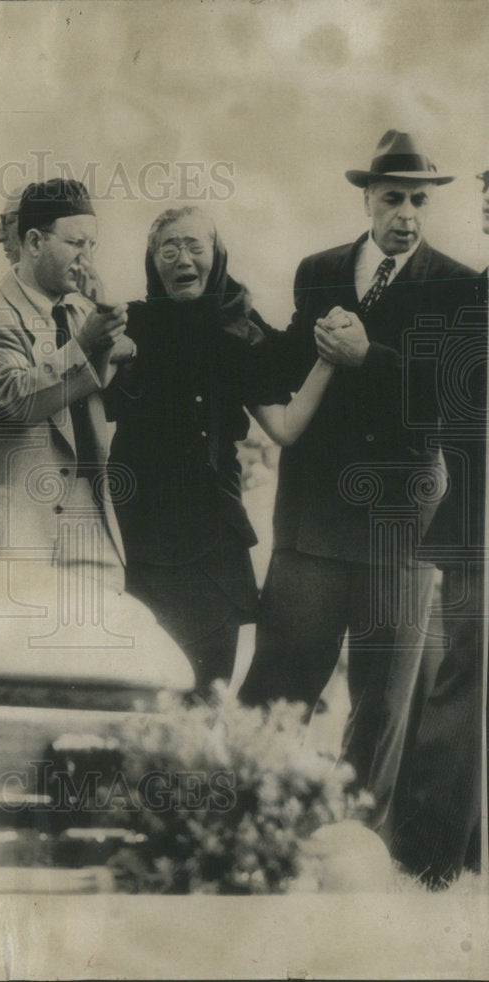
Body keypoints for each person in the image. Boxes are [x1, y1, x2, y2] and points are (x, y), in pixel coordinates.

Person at [238, 131, 483, 836]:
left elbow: (450, 395)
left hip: (399, 527)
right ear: (367, 198)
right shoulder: (318, 270)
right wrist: (229, 333)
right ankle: (248, 838)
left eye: (419, 200)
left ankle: (354, 860)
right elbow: (286, 360)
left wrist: (365, 355)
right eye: (392, 198)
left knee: (379, 708)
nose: (406, 213)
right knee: (278, 692)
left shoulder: (458, 283)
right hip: (311, 523)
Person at [106, 207, 335, 696]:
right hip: (138, 534)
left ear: (217, 256)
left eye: (193, 245)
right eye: (168, 248)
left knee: (208, 692)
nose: (181, 257)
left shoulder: (239, 329)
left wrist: (329, 363)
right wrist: (111, 356)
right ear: (152, 260)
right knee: (138, 697)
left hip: (213, 534)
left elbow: (286, 428)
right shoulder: (131, 327)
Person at [0, 178, 128, 587]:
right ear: (35, 242)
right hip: (5, 539)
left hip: (86, 533)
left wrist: (108, 325)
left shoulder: (80, 311)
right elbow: (20, 400)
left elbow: (122, 355)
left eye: (93, 246)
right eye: (77, 243)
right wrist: (88, 343)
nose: (87, 258)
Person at [388, 169, 488, 886]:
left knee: (464, 686)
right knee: (465, 685)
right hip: (476, 521)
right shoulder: (478, 294)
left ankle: (443, 851)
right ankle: (432, 856)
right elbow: (450, 415)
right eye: (488, 206)